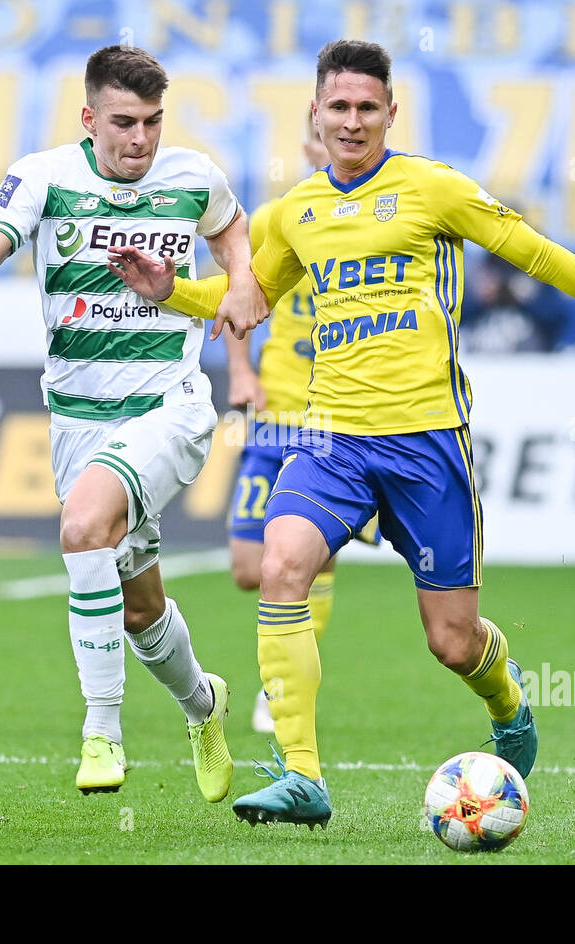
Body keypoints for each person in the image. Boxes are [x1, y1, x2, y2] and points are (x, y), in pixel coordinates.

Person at [108, 39, 575, 828]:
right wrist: (173, 290)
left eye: (367, 107)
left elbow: (541, 256)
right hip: (333, 441)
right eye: (338, 107)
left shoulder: (432, 189)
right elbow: (245, 300)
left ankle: (509, 706)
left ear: (392, 113)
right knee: (283, 562)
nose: (352, 122)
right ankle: (302, 775)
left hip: (428, 443)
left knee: (453, 642)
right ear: (314, 115)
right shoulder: (297, 214)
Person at [0, 44, 267, 799]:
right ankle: (203, 703)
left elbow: (233, 227)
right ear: (90, 119)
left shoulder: (192, 175)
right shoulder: (45, 176)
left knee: (84, 525)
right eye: (124, 122)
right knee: (139, 608)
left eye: (152, 122)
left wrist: (241, 281)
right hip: (80, 421)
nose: (141, 139)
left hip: (171, 407)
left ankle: (101, 732)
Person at [224, 109, 380, 734]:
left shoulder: (378, 218)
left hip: (334, 419)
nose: (335, 144)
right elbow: (234, 294)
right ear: (306, 141)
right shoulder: (277, 219)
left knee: (310, 559)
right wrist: (240, 371)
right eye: (323, 134)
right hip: (272, 413)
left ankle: (283, 685)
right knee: (245, 566)